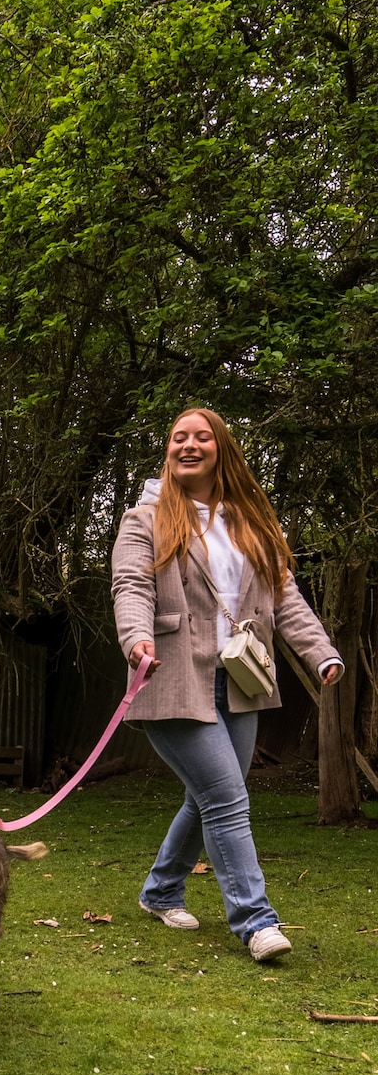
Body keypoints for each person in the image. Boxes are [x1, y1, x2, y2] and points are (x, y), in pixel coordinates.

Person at [112, 407, 343, 962]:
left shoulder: (250, 522)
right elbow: (130, 586)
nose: (188, 445)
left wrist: (321, 654)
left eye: (201, 437)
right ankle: (256, 920)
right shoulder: (143, 520)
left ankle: (161, 889)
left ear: (222, 450)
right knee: (226, 798)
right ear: (168, 452)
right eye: (177, 438)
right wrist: (136, 639)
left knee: (209, 796)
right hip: (171, 679)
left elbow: (284, 598)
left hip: (240, 680)